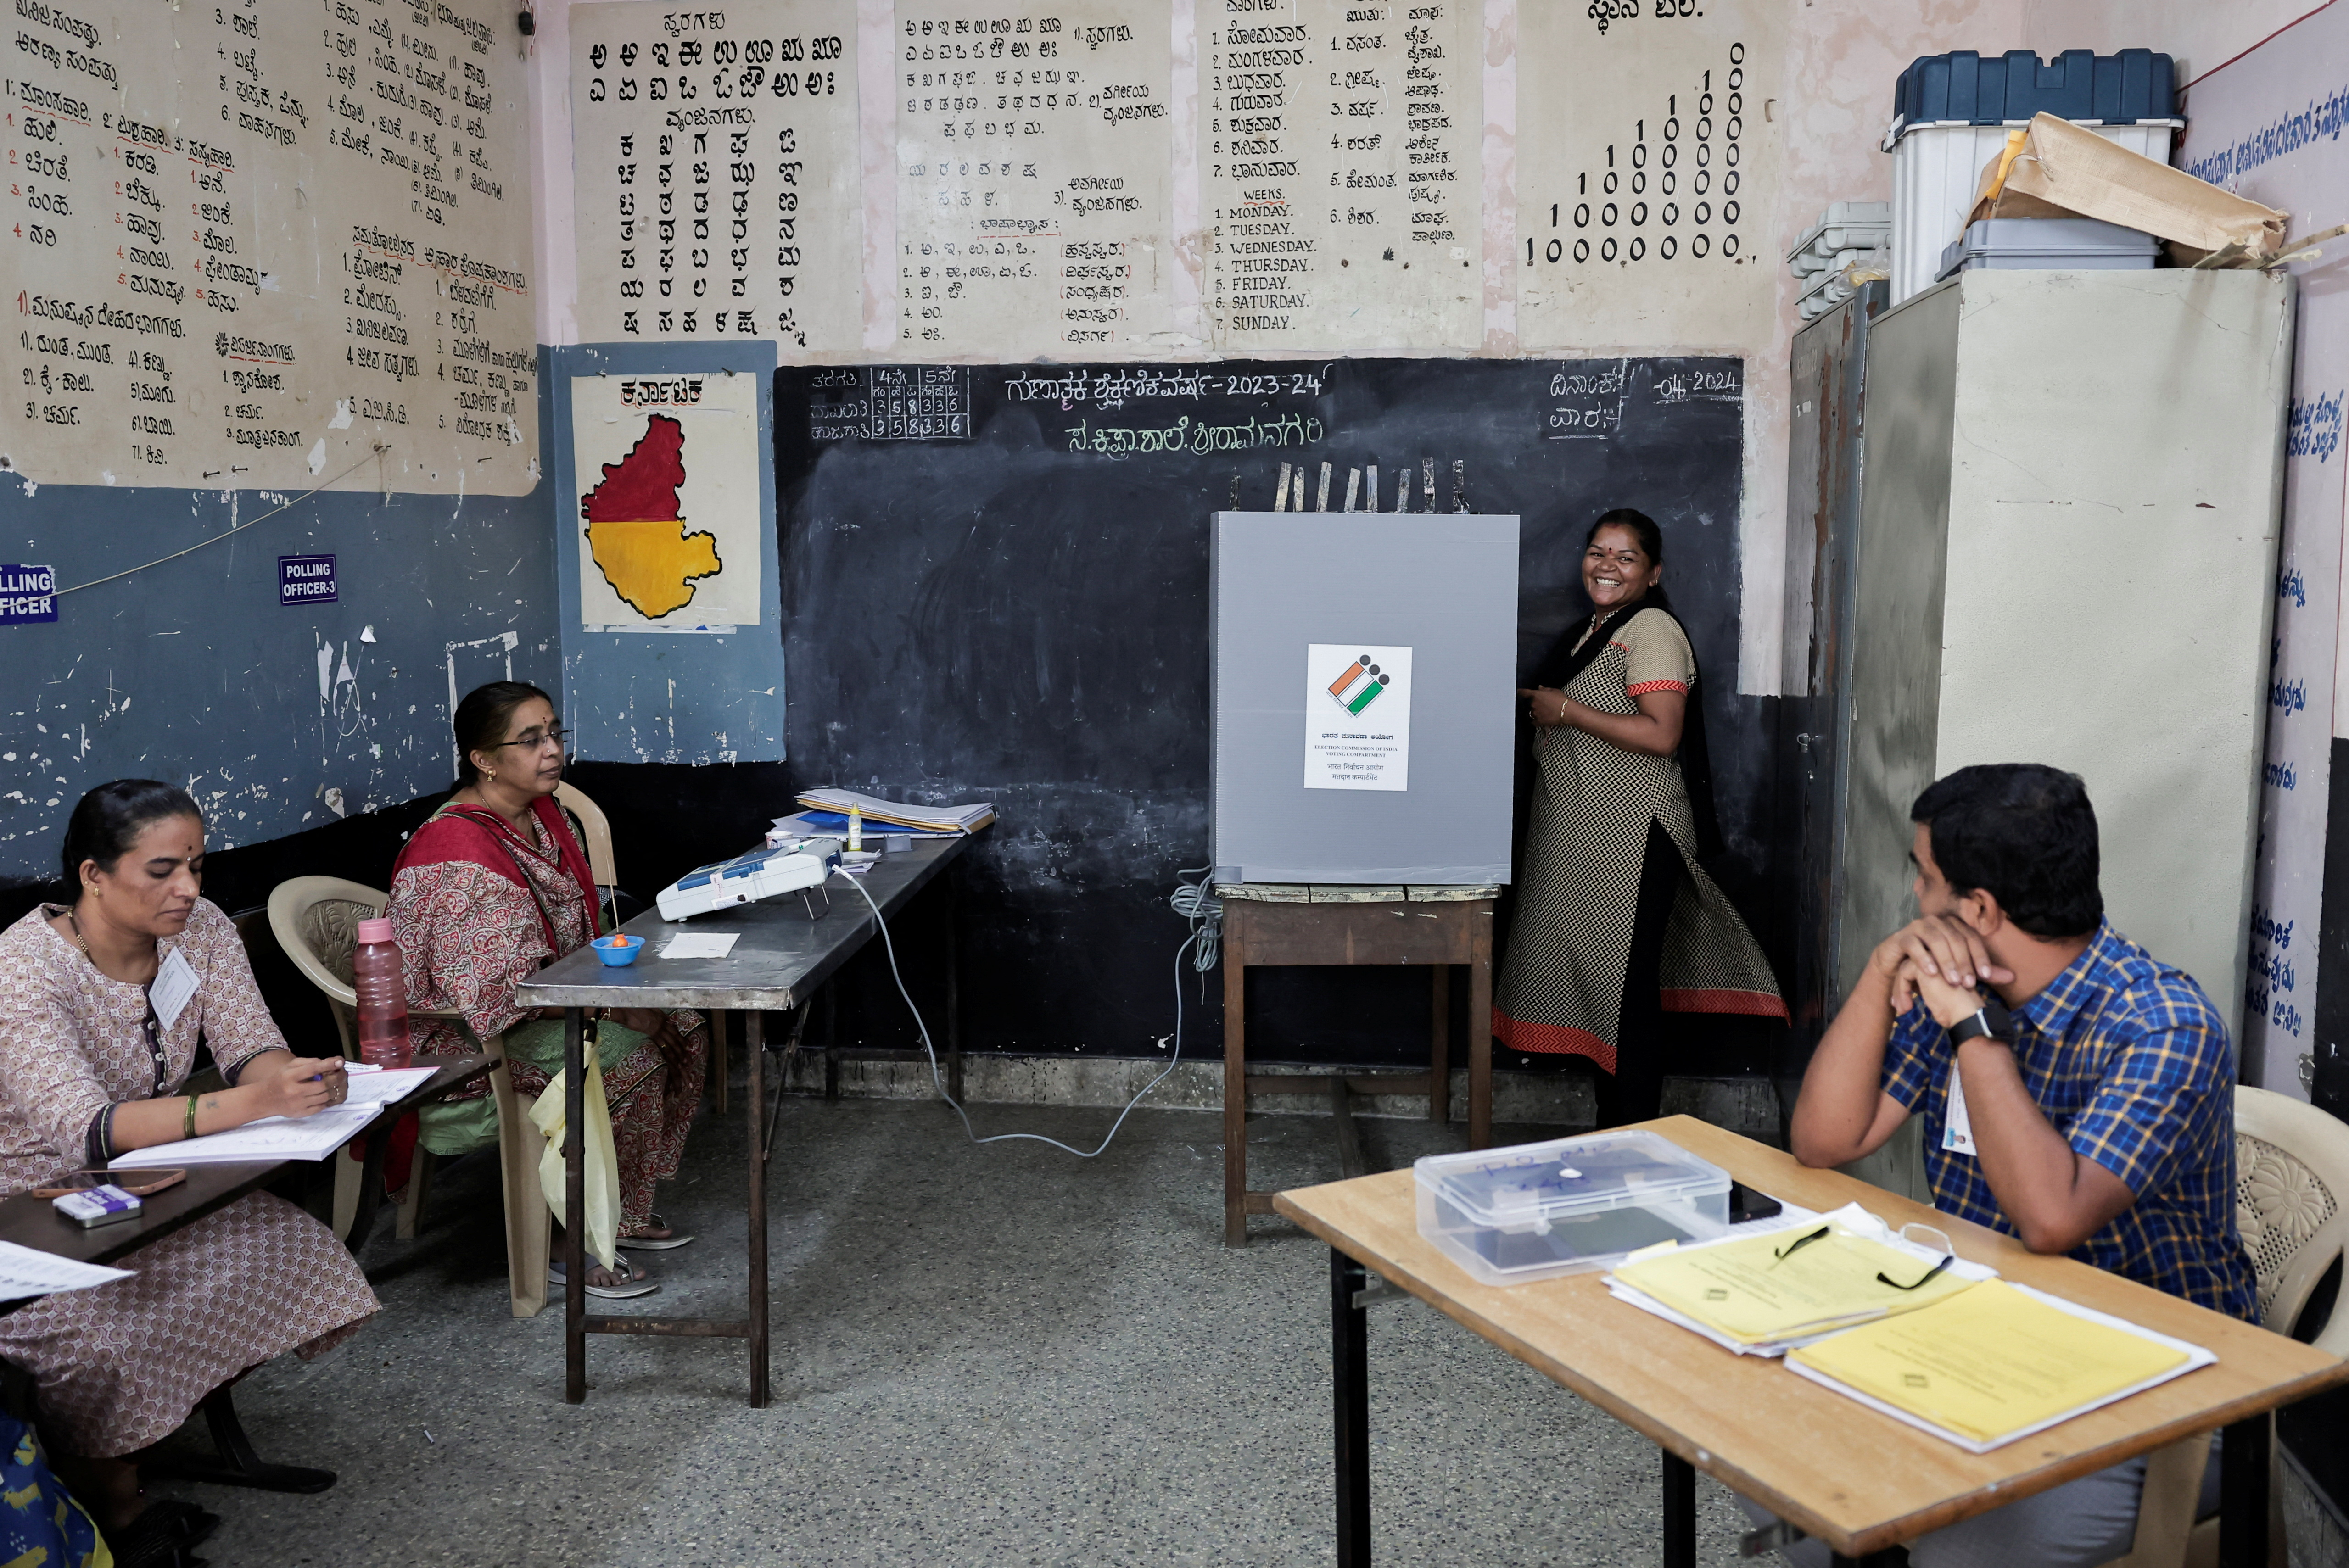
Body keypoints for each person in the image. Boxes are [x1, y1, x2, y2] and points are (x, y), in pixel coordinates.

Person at [1769, 763, 2253, 1567]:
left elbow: (2050, 1218)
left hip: (2155, 1396)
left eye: (1923, 877)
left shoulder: (2164, 1024)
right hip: (1985, 1349)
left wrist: (1969, 1027)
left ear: (1980, 908)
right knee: (1800, 1477)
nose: (1915, 897)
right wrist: (1884, 968)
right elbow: (1824, 1138)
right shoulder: (1949, 979)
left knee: (1942, 1542)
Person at [0, 780, 377, 1557]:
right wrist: (252, 1104)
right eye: (163, 870)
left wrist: (296, 1077)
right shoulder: (25, 967)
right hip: (29, 1203)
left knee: (283, 1247)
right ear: (92, 874)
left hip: (150, 1180)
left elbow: (249, 1046)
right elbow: (85, 1130)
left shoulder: (199, 930)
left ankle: (148, 1431)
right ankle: (109, 1490)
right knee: (95, 1338)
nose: (189, 889)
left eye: (198, 866)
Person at [386, 681, 705, 1300]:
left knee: (682, 1023)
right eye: (530, 740)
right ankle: (571, 1241)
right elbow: (491, 999)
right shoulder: (457, 858)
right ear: (483, 759)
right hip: (468, 1044)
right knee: (629, 1056)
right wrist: (615, 1011)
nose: (552, 750)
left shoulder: (539, 817)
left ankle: (623, 1211)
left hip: (542, 1002)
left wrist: (625, 1000)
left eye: (554, 733)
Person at [1495, 508, 1785, 1126]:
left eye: (1625, 558)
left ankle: (1627, 1138)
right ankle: (1615, 1130)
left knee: (1624, 996)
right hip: (1590, 841)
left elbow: (1661, 733)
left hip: (1632, 841)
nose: (1606, 566)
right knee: (1604, 988)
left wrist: (1566, 711)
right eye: (1597, 551)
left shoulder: (1649, 627)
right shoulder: (1594, 628)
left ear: (1652, 573)